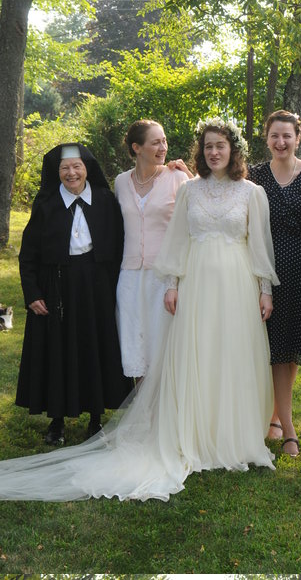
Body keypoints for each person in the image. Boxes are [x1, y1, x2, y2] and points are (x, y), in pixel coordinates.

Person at [0, 117, 278, 501]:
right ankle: (157, 422)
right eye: (208, 146)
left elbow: (253, 243)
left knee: (215, 354)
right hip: (159, 277)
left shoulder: (227, 188)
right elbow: (167, 236)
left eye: (221, 145)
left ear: (234, 149)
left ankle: (222, 430)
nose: (214, 152)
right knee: (157, 352)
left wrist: (264, 290)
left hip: (221, 282)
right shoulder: (136, 185)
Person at [16, 143, 132, 446]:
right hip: (56, 285)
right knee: (58, 349)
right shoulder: (46, 204)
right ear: (57, 172)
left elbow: (120, 245)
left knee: (93, 346)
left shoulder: (105, 200)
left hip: (96, 286)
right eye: (65, 168)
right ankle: (56, 420)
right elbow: (28, 254)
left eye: (77, 166)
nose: (71, 173)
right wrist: (32, 292)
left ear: (87, 169)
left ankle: (95, 419)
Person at [248, 110, 301, 456]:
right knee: (271, 346)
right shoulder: (254, 175)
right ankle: (287, 428)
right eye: (274, 135)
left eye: (287, 135)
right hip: (263, 267)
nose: (280, 142)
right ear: (267, 138)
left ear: (297, 138)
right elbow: (219, 190)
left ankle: (277, 416)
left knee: (288, 347)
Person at [115, 119, 191, 381]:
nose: (163, 147)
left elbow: (197, 219)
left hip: (164, 277)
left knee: (164, 348)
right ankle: (141, 404)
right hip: (130, 277)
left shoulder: (178, 178)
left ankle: (165, 405)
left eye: (164, 141)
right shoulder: (120, 182)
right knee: (135, 346)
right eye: (156, 142)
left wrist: (191, 176)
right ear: (137, 148)